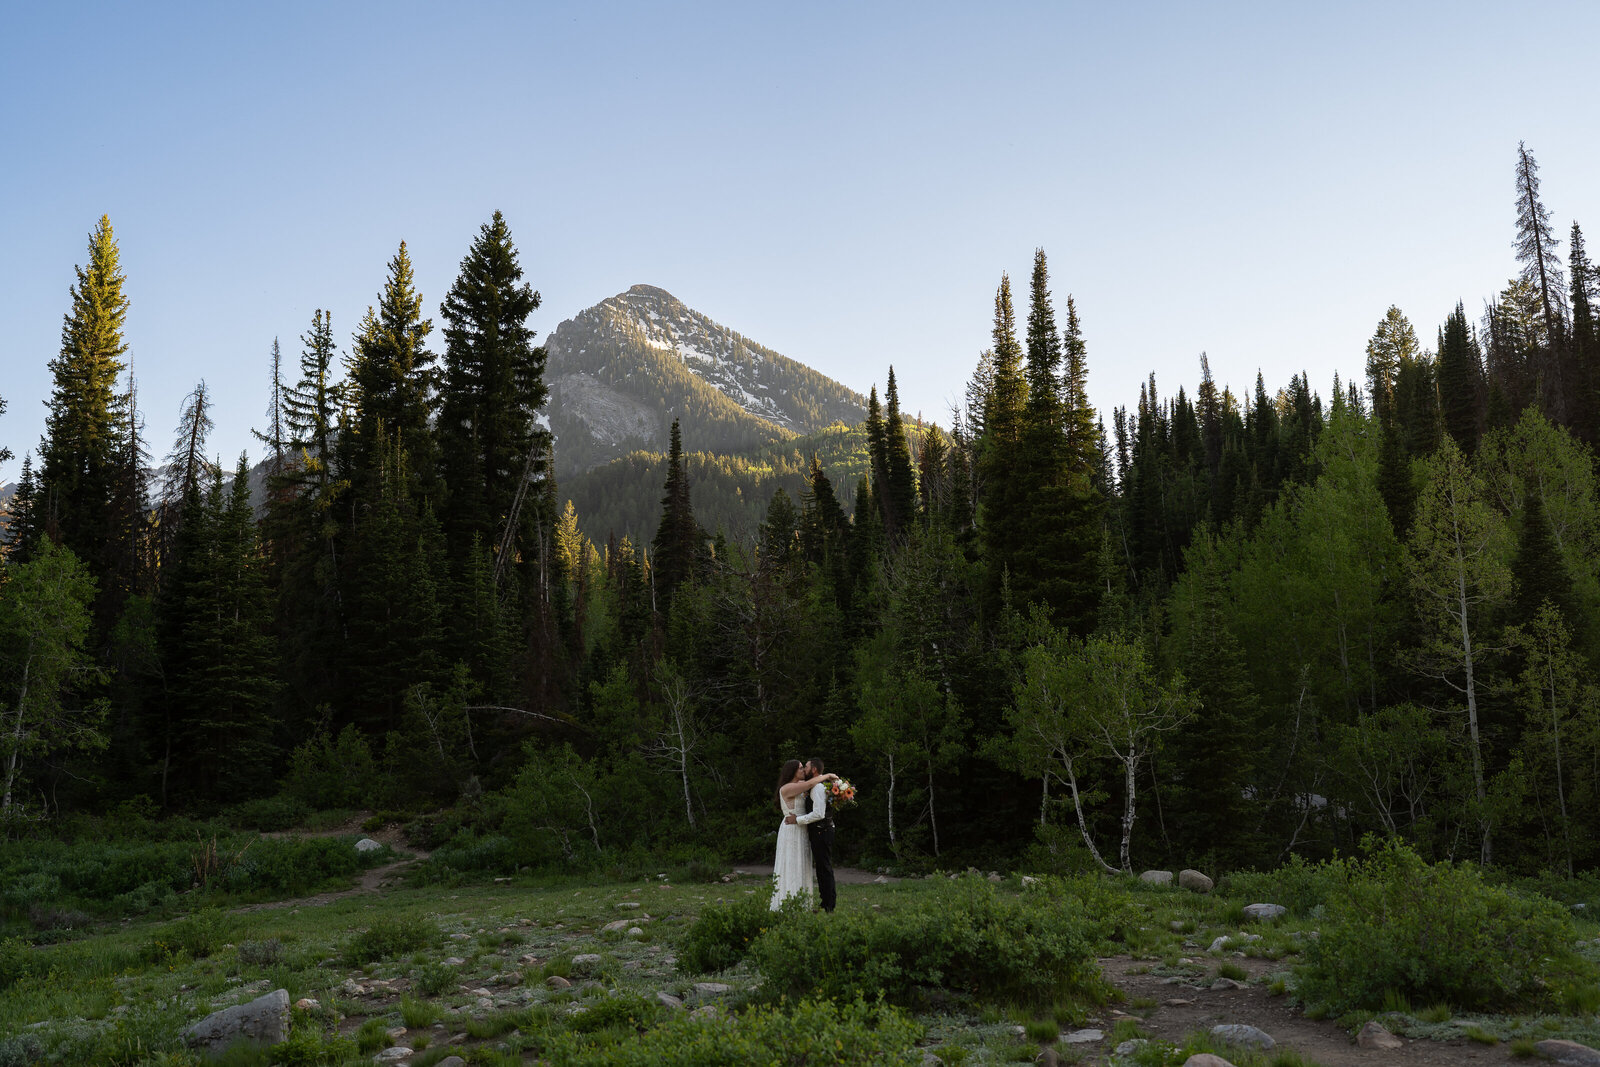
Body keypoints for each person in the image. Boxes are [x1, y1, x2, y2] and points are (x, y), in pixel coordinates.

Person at [771, 758, 836, 911]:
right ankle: (788, 901)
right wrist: (827, 775)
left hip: (802, 828)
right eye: (800, 768)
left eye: (803, 767)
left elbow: (813, 786)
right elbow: (809, 784)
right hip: (791, 828)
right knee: (791, 863)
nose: (803, 771)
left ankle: (802, 902)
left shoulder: (801, 786)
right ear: (792, 771)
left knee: (803, 864)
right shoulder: (786, 788)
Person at [792, 757, 837, 912]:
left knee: (824, 868)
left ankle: (829, 905)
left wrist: (798, 820)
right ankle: (826, 902)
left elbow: (818, 814)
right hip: (822, 830)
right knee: (822, 868)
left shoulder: (817, 788)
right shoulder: (816, 786)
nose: (804, 769)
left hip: (821, 830)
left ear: (814, 770)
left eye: (806, 766)